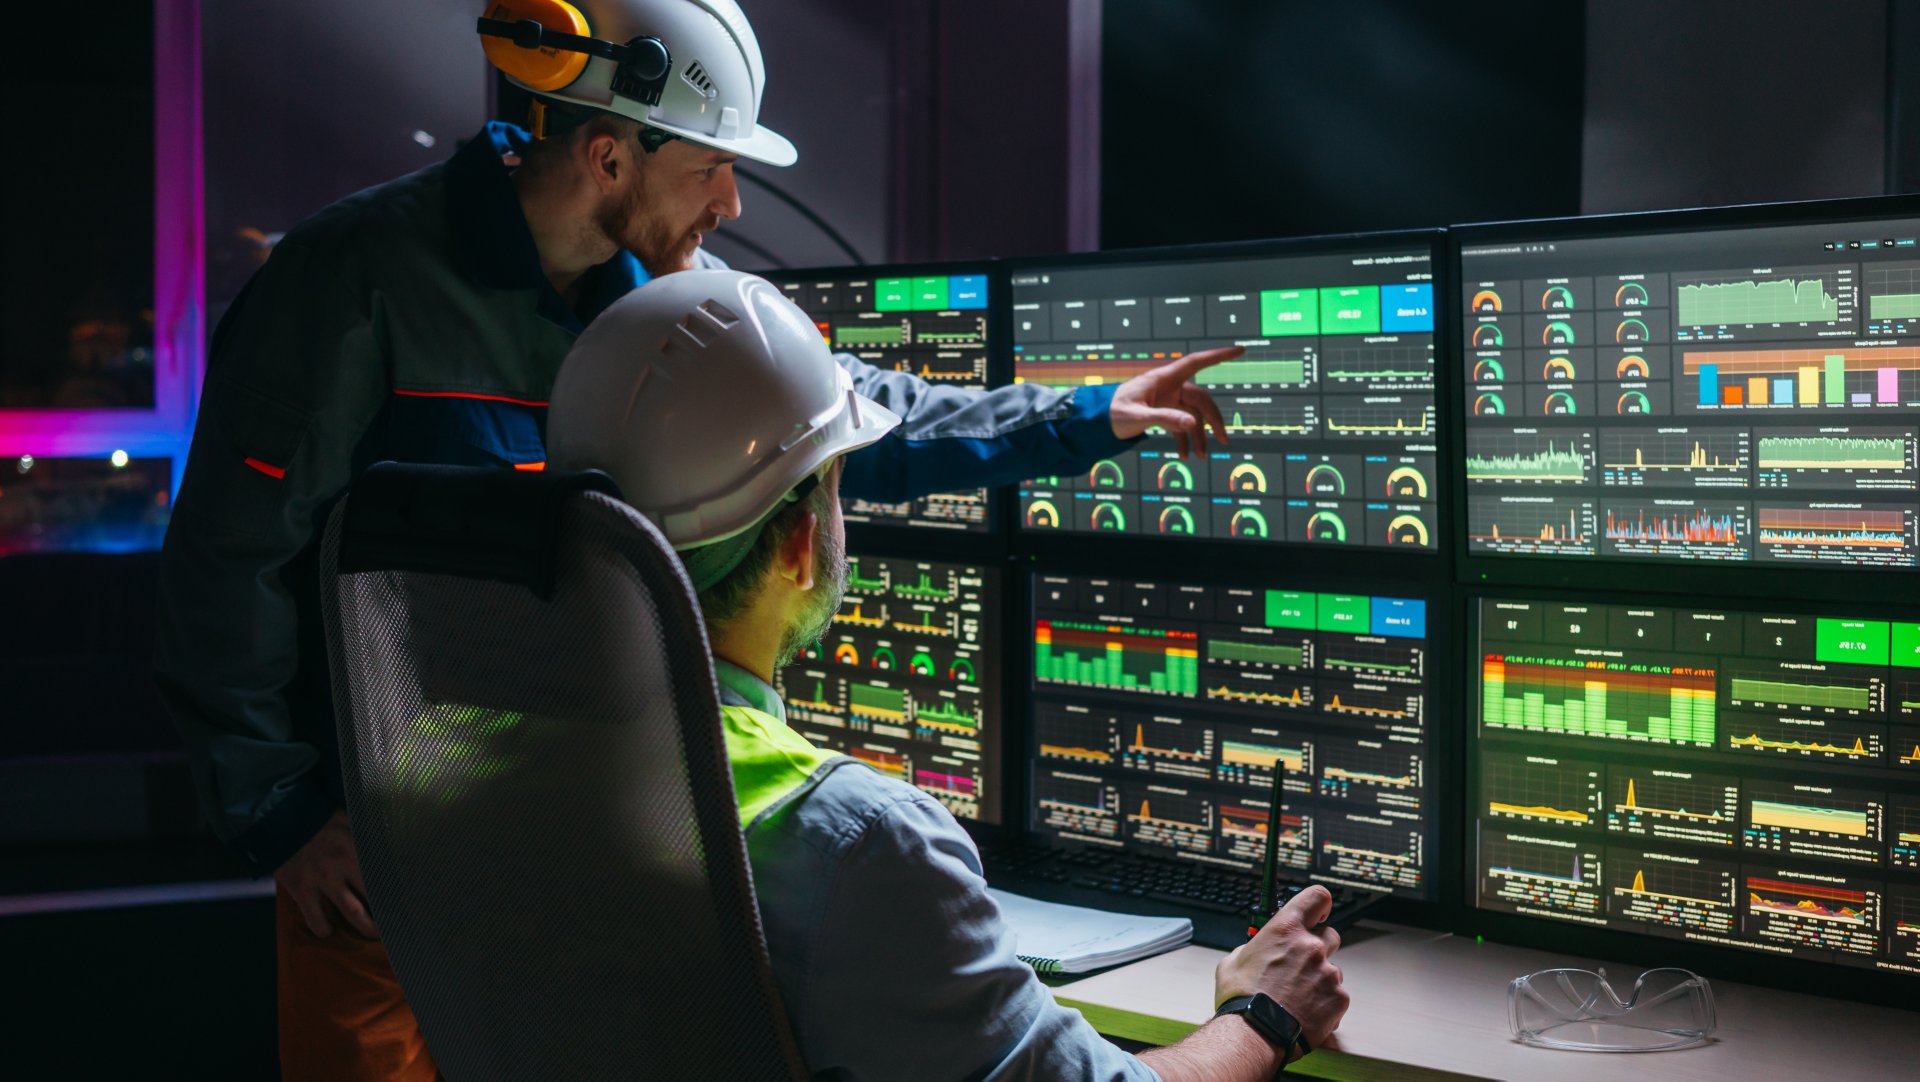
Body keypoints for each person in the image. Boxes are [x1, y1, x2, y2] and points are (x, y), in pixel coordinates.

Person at [154, 1, 1235, 1077]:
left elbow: (842, 417)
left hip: (583, 840)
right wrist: (282, 816)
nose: (728, 201)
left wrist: (1090, 417)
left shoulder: (667, 297)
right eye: (712, 166)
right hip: (389, 856)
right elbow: (229, 554)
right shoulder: (353, 279)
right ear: (611, 155)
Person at [545, 268, 1349, 1080]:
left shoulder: (445, 754)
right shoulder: (856, 839)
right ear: (797, 548)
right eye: (838, 484)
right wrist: (1262, 1012)